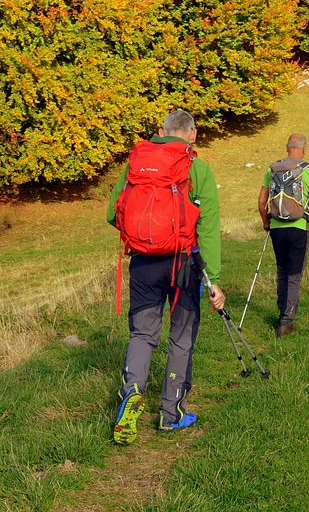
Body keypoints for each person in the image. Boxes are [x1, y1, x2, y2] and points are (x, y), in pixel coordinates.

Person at [106, 110, 225, 445]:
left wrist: (146, 237)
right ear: (193, 134)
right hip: (183, 264)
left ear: (161, 131)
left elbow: (112, 213)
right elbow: (210, 230)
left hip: (143, 263)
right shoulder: (198, 169)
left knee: (143, 334)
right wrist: (212, 279)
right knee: (181, 337)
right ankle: (170, 414)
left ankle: (131, 391)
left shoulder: (137, 163)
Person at [258, 133, 309, 337]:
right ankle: (286, 321)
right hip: (299, 227)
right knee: (294, 274)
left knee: (282, 270)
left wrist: (266, 223)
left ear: (286, 147)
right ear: (304, 149)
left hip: (276, 228)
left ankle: (283, 311)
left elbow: (261, 201)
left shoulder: (271, 169)